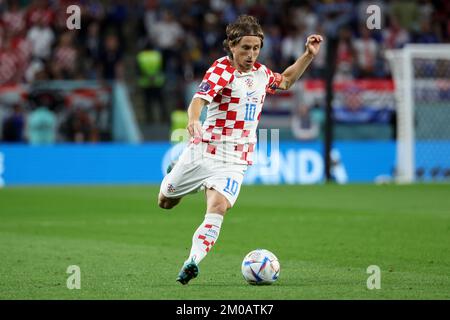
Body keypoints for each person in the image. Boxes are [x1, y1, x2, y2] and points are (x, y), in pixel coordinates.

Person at [157, 15, 322, 285]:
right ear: (232, 46)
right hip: (205, 150)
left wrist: (308, 55)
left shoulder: (261, 73)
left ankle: (192, 261)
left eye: (256, 48)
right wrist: (193, 120)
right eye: (245, 47)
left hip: (236, 157)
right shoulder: (221, 70)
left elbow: (286, 81)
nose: (251, 53)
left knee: (218, 206)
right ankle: (179, 173)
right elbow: (198, 100)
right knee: (165, 202)